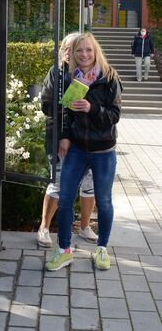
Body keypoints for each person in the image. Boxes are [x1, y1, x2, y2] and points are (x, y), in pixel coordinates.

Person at [45, 32, 122, 272]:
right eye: (79, 51)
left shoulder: (109, 78)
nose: (84, 54)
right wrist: (65, 136)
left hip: (103, 150)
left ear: (95, 51)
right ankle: (64, 250)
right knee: (65, 199)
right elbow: (65, 112)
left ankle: (101, 249)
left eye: (88, 50)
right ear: (73, 54)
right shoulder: (70, 78)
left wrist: (92, 108)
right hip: (77, 148)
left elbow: (114, 116)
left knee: (104, 201)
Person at [38, 32, 98, 249]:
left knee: (89, 184)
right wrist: (68, 103)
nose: (72, 52)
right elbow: (45, 105)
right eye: (68, 47)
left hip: (87, 139)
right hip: (59, 138)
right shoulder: (56, 72)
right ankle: (44, 228)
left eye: (76, 48)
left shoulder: (90, 72)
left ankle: (84, 226)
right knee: (58, 184)